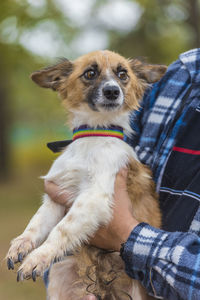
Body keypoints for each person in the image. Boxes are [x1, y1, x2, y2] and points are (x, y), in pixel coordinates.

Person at [45, 48, 200, 300]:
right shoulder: (181, 74)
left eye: (120, 76)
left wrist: (127, 233)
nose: (111, 86)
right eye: (91, 74)